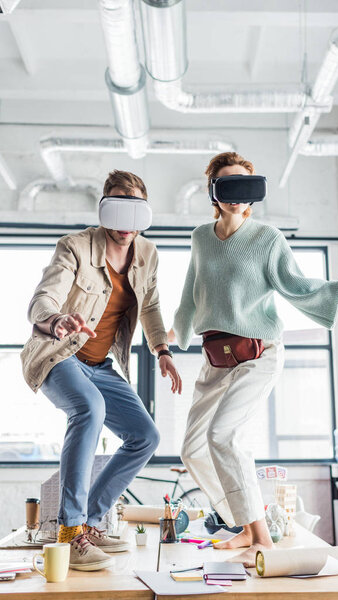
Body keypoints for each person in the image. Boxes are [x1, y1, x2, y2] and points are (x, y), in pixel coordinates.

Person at [171, 151, 338, 567]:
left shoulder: (266, 238)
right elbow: (190, 297)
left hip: (258, 353)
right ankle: (243, 523)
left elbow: (296, 286)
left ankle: (262, 539)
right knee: (191, 449)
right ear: (213, 192)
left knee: (224, 437)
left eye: (245, 186)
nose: (237, 197)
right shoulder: (201, 238)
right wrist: (163, 342)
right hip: (215, 357)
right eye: (227, 186)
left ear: (254, 193)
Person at [21, 170, 182, 571]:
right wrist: (56, 320)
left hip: (100, 364)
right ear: (104, 208)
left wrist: (161, 348)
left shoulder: (148, 254)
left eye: (135, 214)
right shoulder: (74, 247)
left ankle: (91, 524)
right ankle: (70, 532)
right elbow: (44, 297)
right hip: (59, 355)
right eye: (118, 211)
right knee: (89, 408)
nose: (125, 227)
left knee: (145, 436)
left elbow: (150, 306)